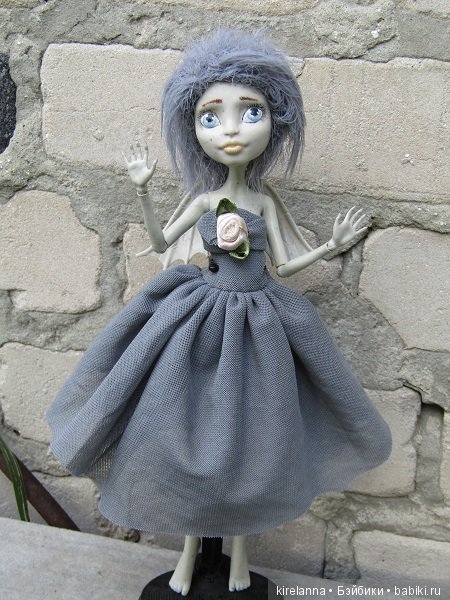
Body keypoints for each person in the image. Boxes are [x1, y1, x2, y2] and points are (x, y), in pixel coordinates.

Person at [47, 29, 392, 596]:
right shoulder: (207, 200)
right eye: (211, 117)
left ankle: (238, 562)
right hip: (200, 319)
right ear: (193, 129)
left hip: (260, 324)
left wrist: (330, 247)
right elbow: (162, 242)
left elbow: (286, 263)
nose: (230, 129)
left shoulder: (263, 200)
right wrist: (142, 191)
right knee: (186, 441)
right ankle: (186, 559)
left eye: (250, 112)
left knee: (253, 447)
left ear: (277, 121)